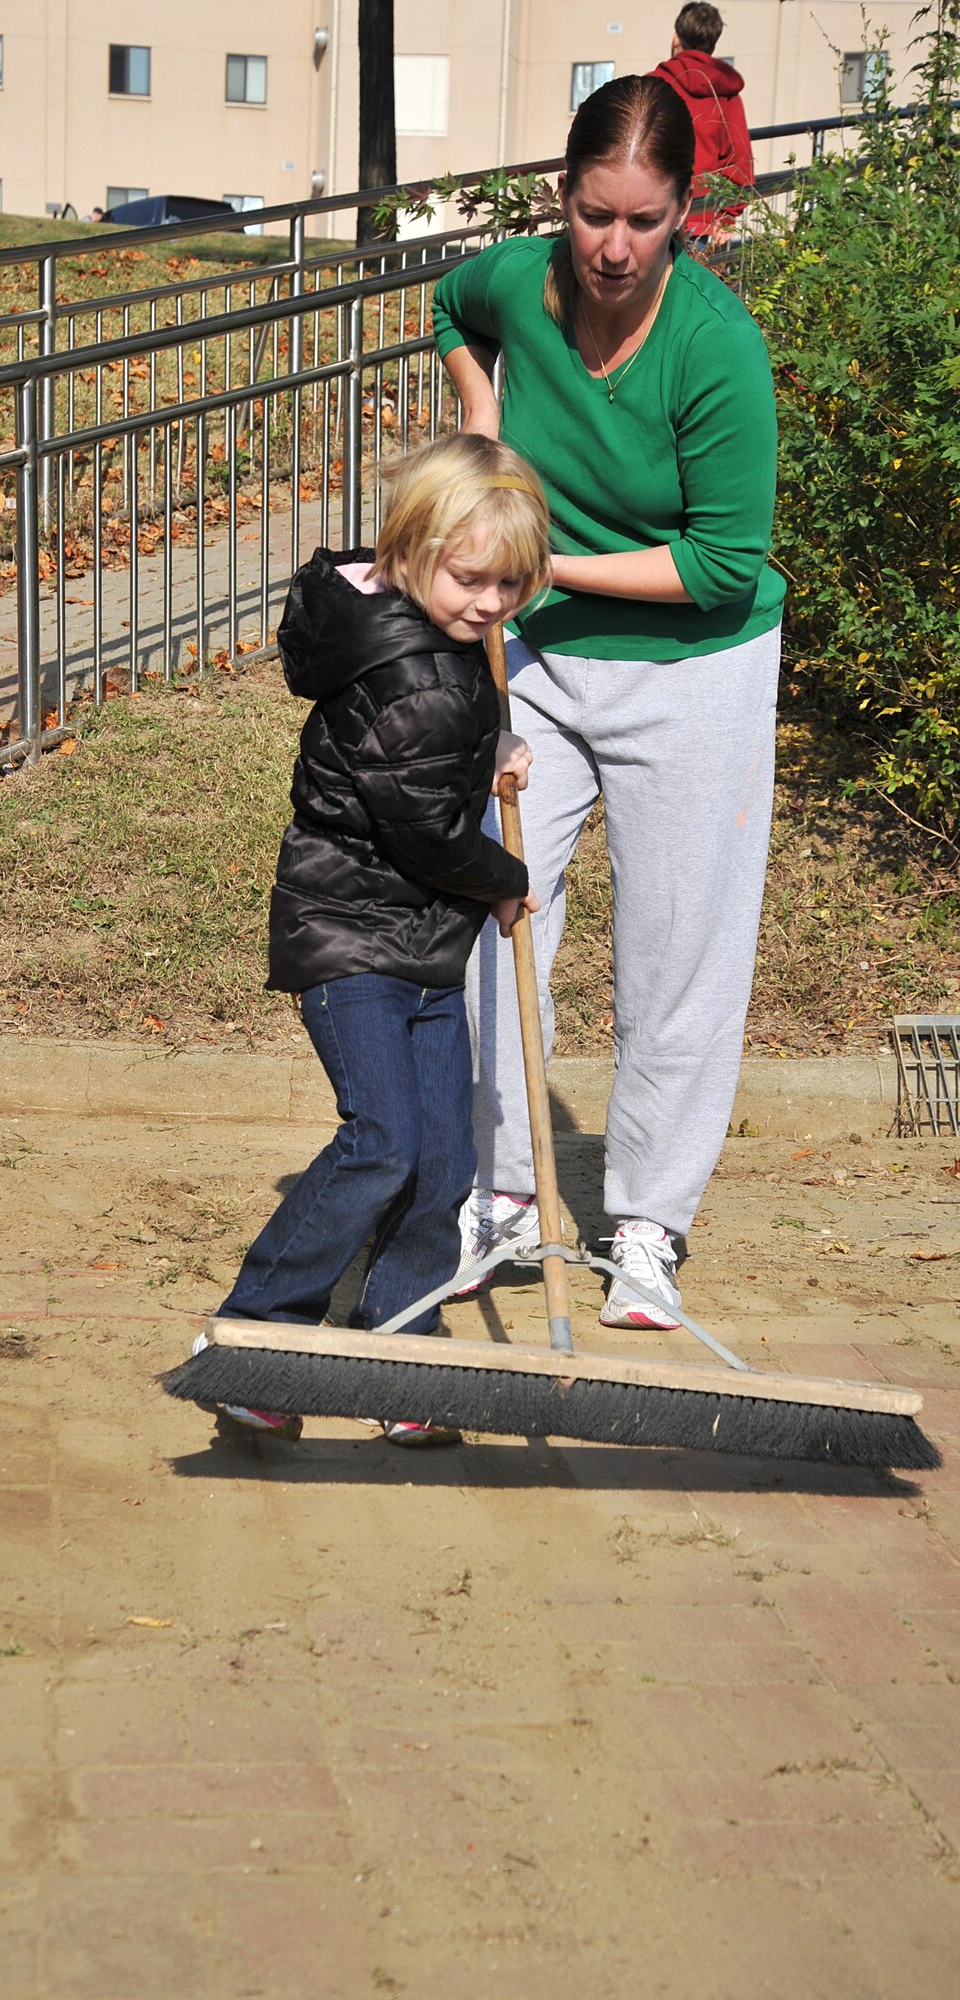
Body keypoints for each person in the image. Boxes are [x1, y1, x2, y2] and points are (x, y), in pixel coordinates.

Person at [430, 73, 784, 1333]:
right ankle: (500, 1193)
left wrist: (532, 556)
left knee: (679, 949)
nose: (614, 247)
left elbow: (717, 566)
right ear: (559, 198)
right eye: (592, 216)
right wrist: (483, 418)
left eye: (644, 220)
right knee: (499, 907)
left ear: (688, 211)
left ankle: (642, 1220)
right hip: (544, 659)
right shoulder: (517, 281)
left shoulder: (712, 346)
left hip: (696, 669)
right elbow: (446, 305)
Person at [212, 432, 549, 1445]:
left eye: (509, 585)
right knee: (382, 1142)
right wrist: (506, 880)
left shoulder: (421, 638)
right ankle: (255, 1338)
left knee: (443, 1160)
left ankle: (395, 1348)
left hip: (417, 940)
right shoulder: (413, 675)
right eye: (469, 579)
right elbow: (423, 829)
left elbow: (440, 743)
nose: (489, 603)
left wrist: (493, 739)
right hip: (350, 930)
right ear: (408, 550)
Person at [650, 3, 755, 239]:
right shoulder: (726, 94)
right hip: (703, 220)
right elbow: (740, 163)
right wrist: (727, 217)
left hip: (652, 216)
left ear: (676, 37)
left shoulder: (654, 84)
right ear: (713, 43)